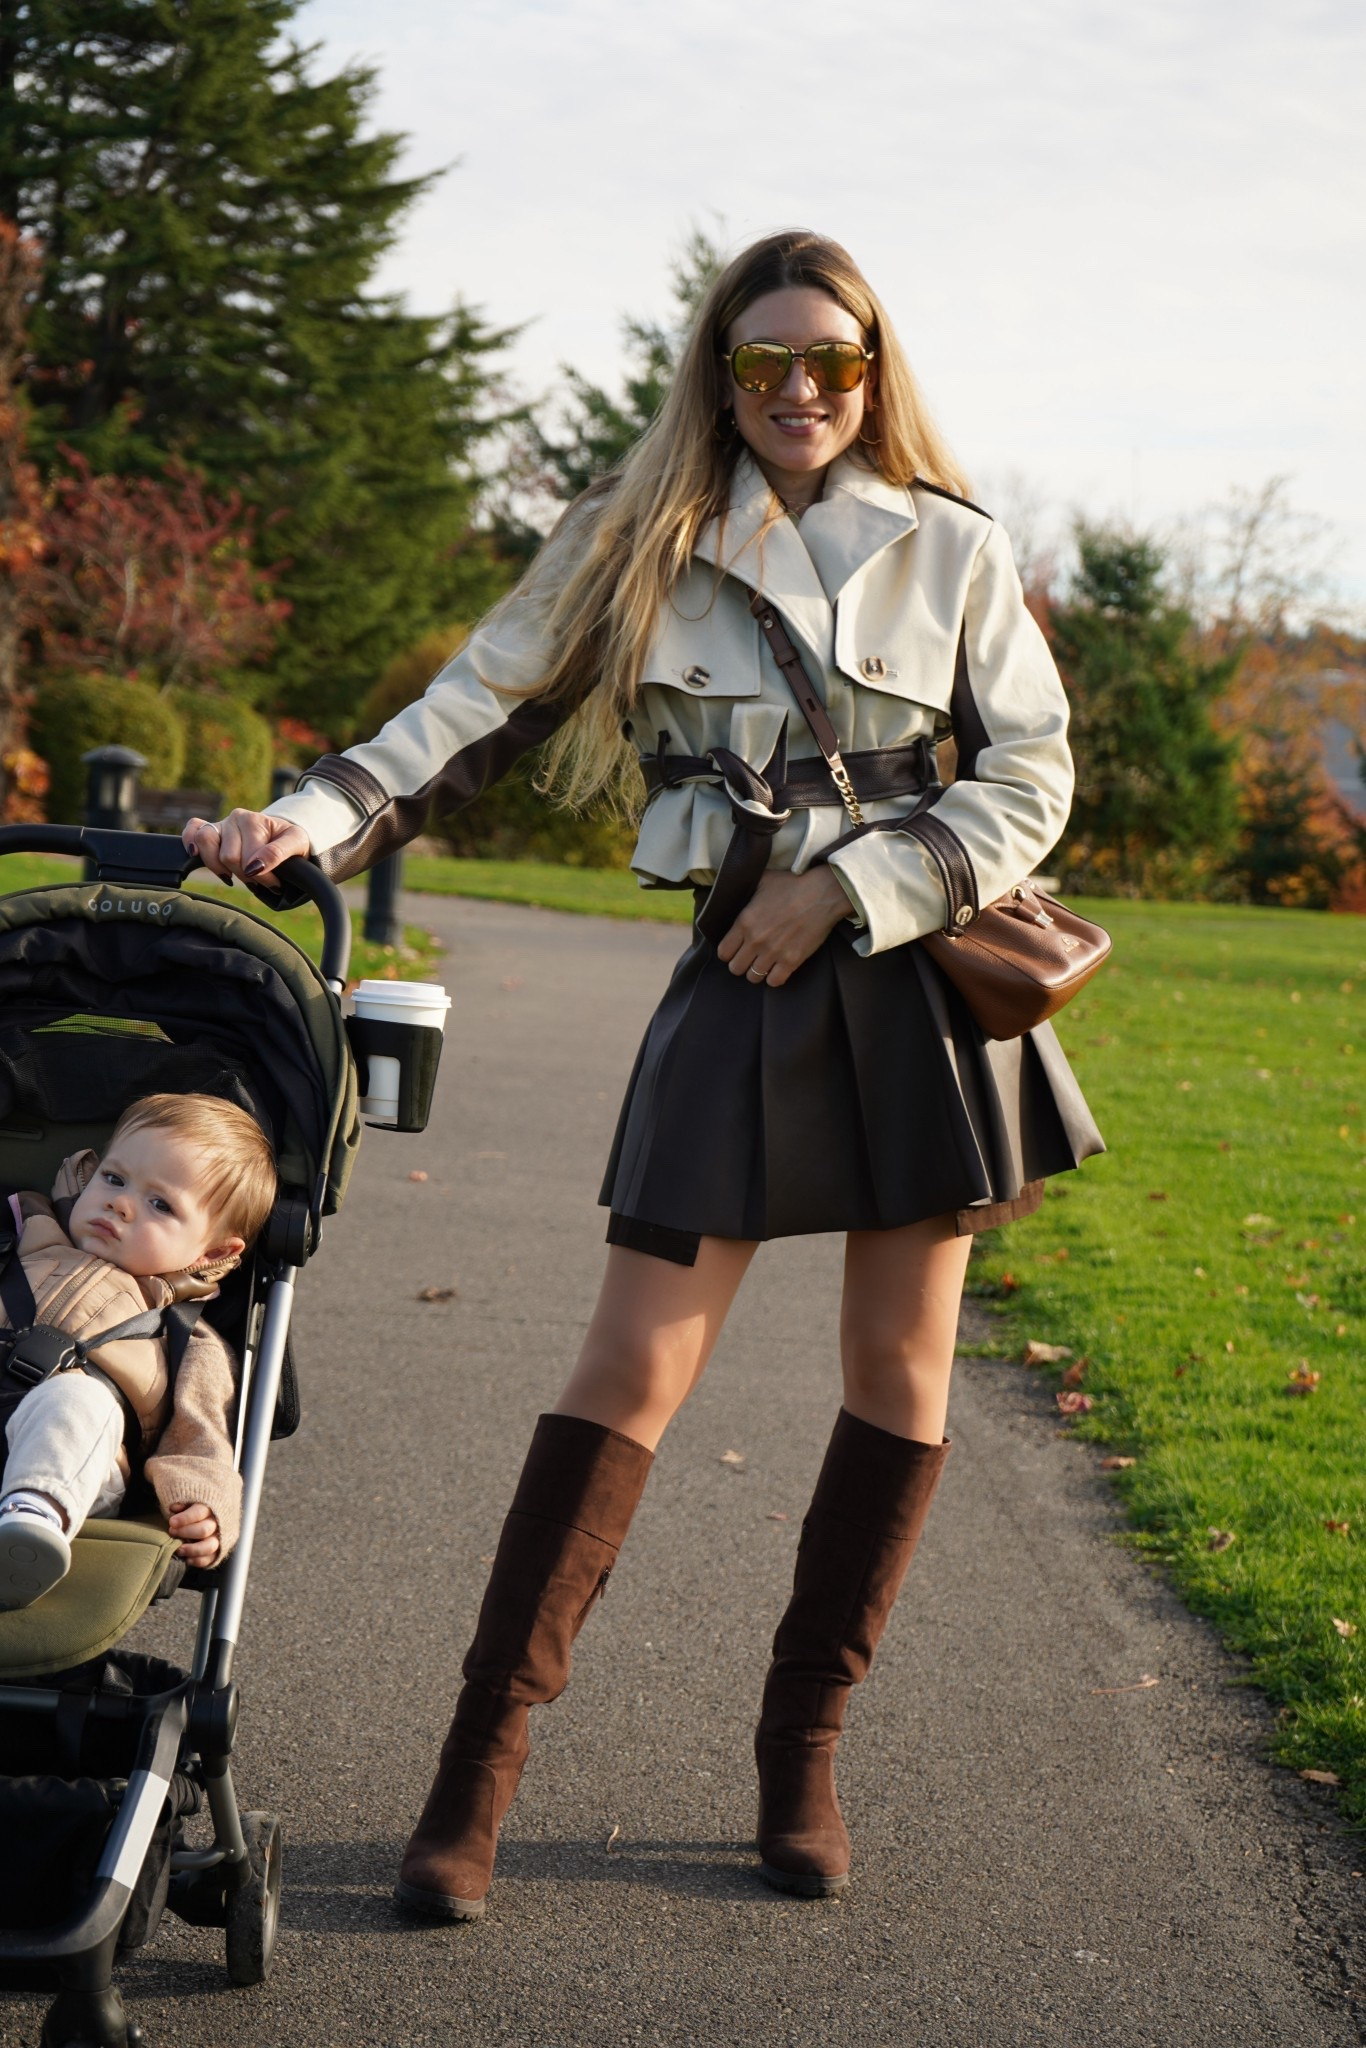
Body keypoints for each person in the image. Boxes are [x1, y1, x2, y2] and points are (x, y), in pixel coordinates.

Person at [184, 229, 1104, 1915]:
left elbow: (1031, 776)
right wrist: (301, 819)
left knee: (903, 1375)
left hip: (914, 989)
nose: (802, 391)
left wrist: (853, 886)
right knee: (628, 1368)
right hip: (739, 994)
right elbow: (462, 712)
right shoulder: (637, 540)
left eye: (833, 359)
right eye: (766, 362)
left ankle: (802, 1750)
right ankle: (478, 1771)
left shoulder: (958, 549)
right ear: (719, 373)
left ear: (874, 368)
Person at [0, 1092, 278, 1607]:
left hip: (76, 1469)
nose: (120, 1203)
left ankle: (28, 1525)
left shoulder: (183, 1338)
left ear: (213, 1252)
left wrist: (207, 1507)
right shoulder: (19, 1243)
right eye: (113, 1178)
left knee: (77, 1402)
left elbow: (200, 1442)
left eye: (160, 1204)